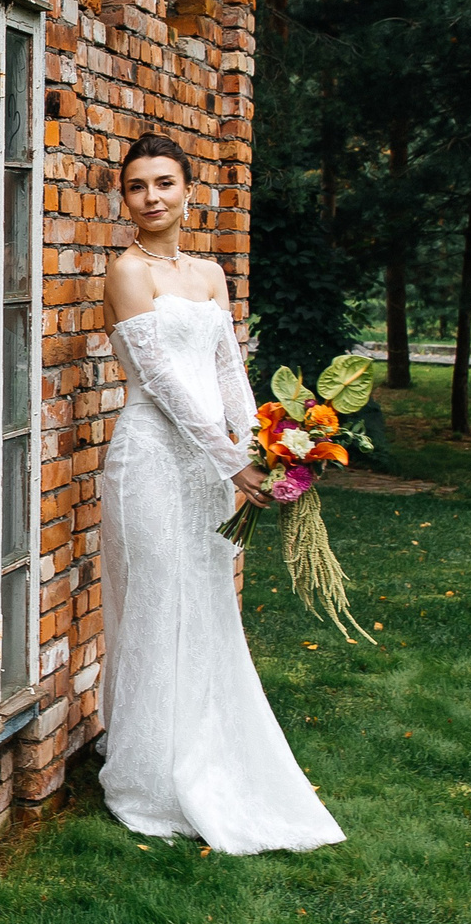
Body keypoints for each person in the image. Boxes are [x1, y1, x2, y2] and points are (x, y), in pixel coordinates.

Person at [97, 132, 344, 853]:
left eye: (164, 183)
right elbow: (167, 385)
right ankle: (145, 775)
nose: (152, 198)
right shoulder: (125, 273)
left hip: (211, 469)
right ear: (125, 197)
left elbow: (228, 371)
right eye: (138, 186)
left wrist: (266, 448)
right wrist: (232, 462)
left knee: (204, 604)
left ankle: (204, 750)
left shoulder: (208, 275)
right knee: (153, 600)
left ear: (188, 190)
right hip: (149, 458)